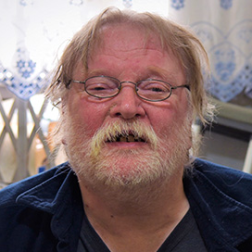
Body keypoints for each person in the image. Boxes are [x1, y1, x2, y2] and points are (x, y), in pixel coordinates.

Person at [0, 7, 252, 252]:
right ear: (63, 112)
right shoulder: (7, 224)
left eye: (155, 89)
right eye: (99, 88)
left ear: (190, 117)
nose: (128, 106)